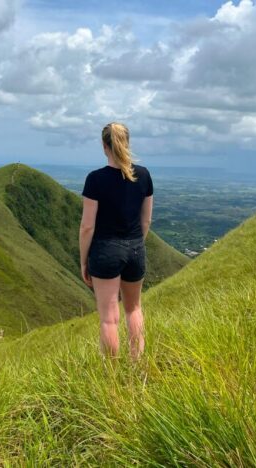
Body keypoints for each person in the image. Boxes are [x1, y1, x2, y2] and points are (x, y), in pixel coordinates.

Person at [79, 122, 154, 361]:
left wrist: (83, 262)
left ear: (104, 146)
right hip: (135, 249)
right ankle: (137, 365)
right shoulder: (143, 175)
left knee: (109, 318)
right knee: (134, 309)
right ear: (127, 142)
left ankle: (111, 376)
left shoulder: (95, 179)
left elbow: (87, 227)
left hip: (105, 251)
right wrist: (135, 245)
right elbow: (146, 221)